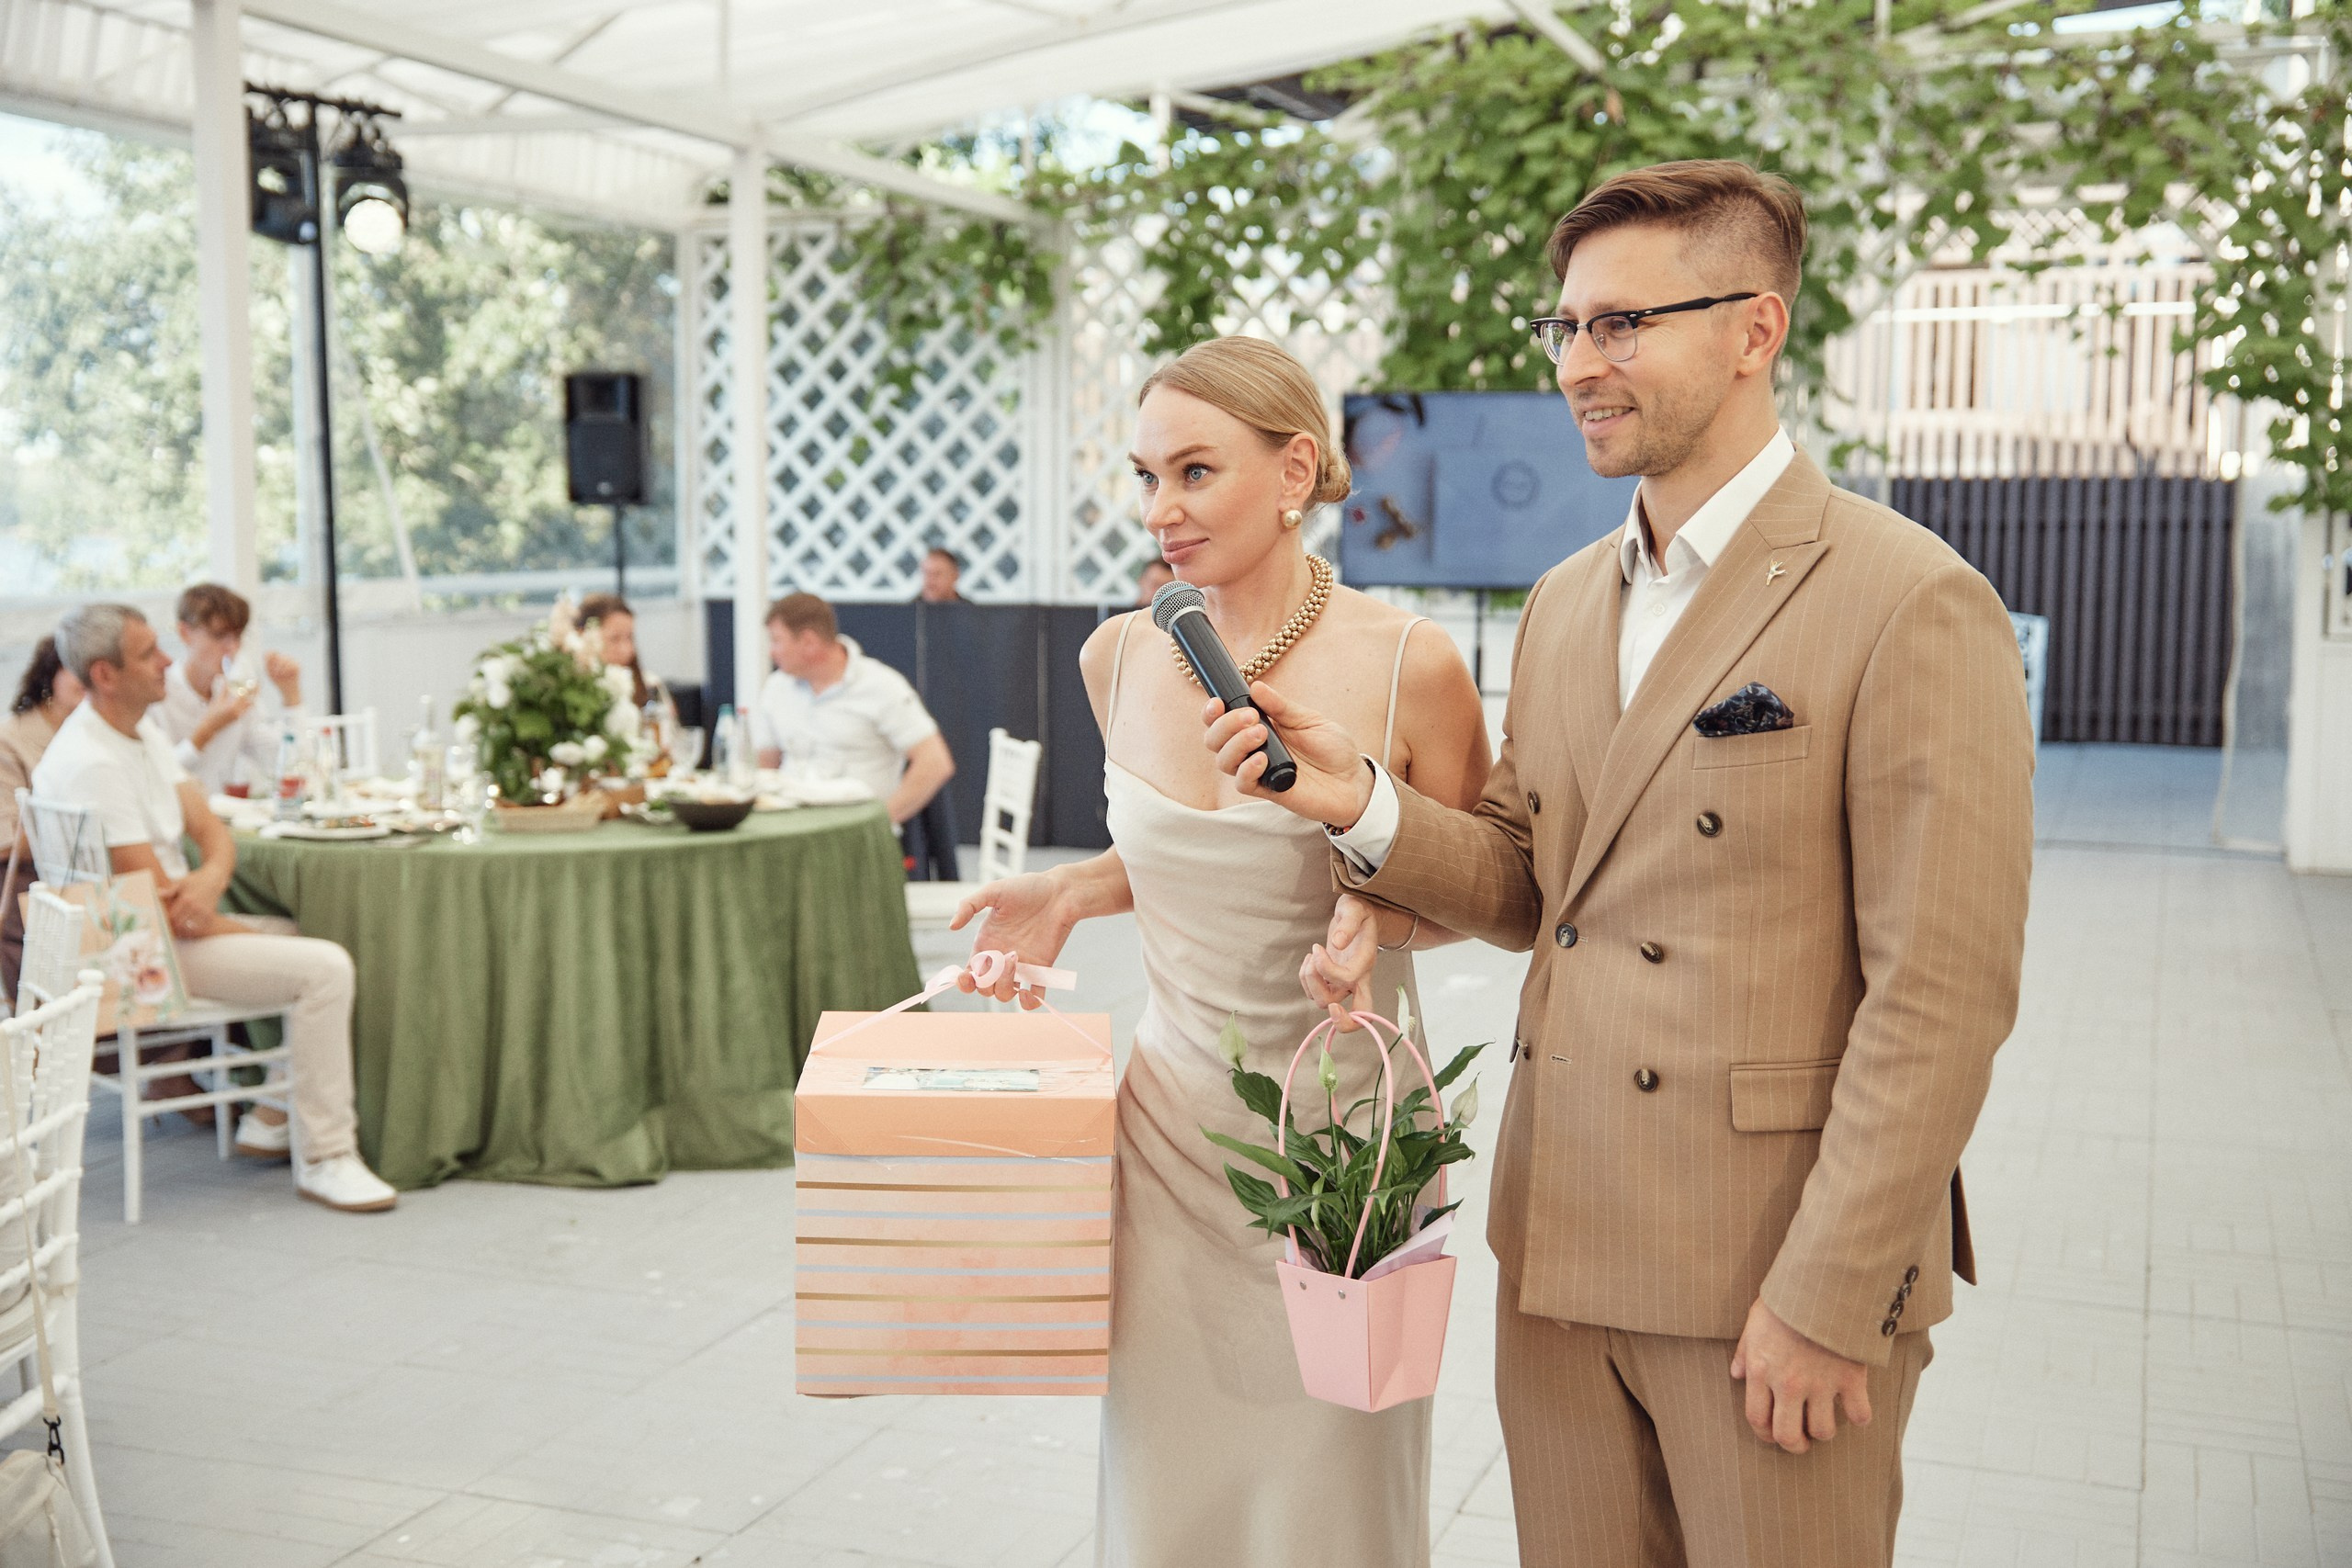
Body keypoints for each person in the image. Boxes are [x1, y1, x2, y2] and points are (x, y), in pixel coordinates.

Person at [1205, 161, 2035, 1567]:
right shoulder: (1568, 598)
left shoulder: (1910, 598)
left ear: (1754, 331)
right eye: (1570, 328)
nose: (1582, 363)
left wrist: (1832, 1289)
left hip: (1768, 1261)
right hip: (1564, 1244)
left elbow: (1940, 995)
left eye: (1624, 325)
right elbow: (1534, 879)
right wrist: (1360, 799)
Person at [952, 336, 1491, 1567]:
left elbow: (1488, 889)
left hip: (1340, 1150)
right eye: (1146, 475)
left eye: (1196, 471)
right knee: (1168, 1485)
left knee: (1330, 1503)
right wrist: (1075, 888)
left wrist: (1382, 916)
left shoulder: (1411, 664)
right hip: (1167, 1133)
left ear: (1296, 466)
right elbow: (1188, 855)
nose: (1161, 511)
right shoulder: (1121, 654)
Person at [33, 604, 399, 1213]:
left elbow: (209, 827)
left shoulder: (138, 729)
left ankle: (274, 1111)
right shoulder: (91, 763)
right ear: (106, 673)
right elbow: (164, 915)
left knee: (298, 935)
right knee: (326, 964)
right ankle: (329, 1156)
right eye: (150, 653)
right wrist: (201, 901)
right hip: (132, 955)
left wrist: (209, 879)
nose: (167, 662)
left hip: (164, 923)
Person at [750, 593, 955, 826]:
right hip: (787, 825)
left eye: (777, 641)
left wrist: (880, 822)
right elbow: (765, 762)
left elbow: (935, 762)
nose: (771, 652)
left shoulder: (881, 686)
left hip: (852, 834)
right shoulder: (777, 687)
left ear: (808, 641)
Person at [156, 583, 303, 796]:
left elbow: (290, 764)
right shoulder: (157, 694)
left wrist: (291, 695)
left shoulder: (235, 694)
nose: (231, 647)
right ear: (185, 633)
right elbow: (156, 779)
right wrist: (206, 730)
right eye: (219, 636)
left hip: (226, 820)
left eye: (237, 637)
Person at [0, 637, 85, 999]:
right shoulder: (12, 739)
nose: (88, 677)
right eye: (76, 667)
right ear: (50, 674)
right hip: (30, 873)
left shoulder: (100, 733)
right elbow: (5, 841)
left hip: (91, 868)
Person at [576, 592, 668, 713]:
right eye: (614, 639)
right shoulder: (573, 691)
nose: (626, 649)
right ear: (584, 636)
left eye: (630, 637)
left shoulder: (650, 684)